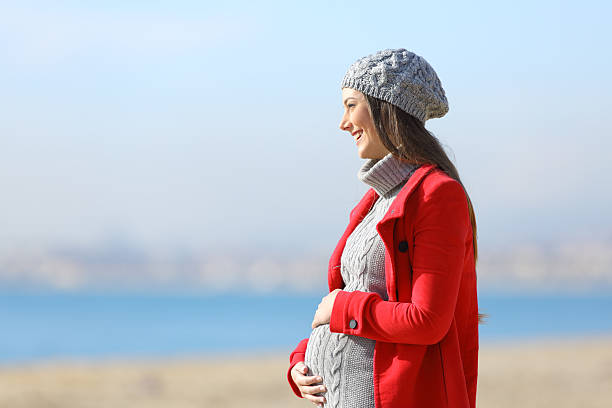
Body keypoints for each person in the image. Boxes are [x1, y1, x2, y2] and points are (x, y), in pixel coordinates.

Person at [286, 48, 484, 408]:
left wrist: (342, 307)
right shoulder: (376, 201)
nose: (342, 123)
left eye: (350, 105)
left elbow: (427, 320)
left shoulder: (437, 195)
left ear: (385, 107)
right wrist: (301, 361)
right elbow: (359, 294)